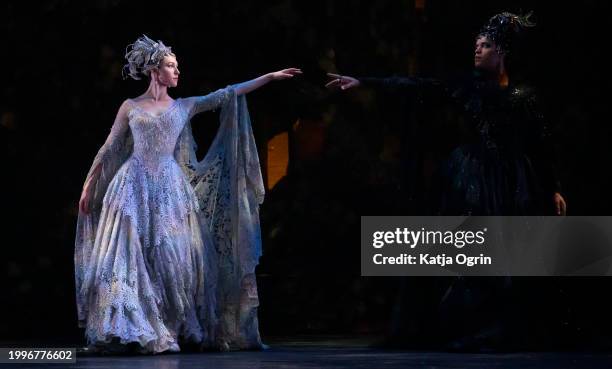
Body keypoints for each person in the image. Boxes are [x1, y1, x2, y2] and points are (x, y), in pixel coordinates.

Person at [75, 35, 301, 354]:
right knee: (130, 255)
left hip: (169, 187)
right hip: (132, 186)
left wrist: (269, 78)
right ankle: (133, 328)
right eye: (171, 66)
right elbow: (111, 145)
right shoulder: (130, 106)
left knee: (172, 256)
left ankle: (167, 327)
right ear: (155, 71)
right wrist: (89, 185)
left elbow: (227, 93)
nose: (177, 72)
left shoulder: (184, 105)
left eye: (177, 66)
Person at [327, 12, 566, 216]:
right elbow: (418, 84)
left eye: (485, 45)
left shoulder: (522, 95)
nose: (478, 50)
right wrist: (364, 81)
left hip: (511, 177)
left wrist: (553, 188)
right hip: (475, 175)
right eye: (476, 45)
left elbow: (540, 142)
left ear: (501, 52)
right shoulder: (468, 86)